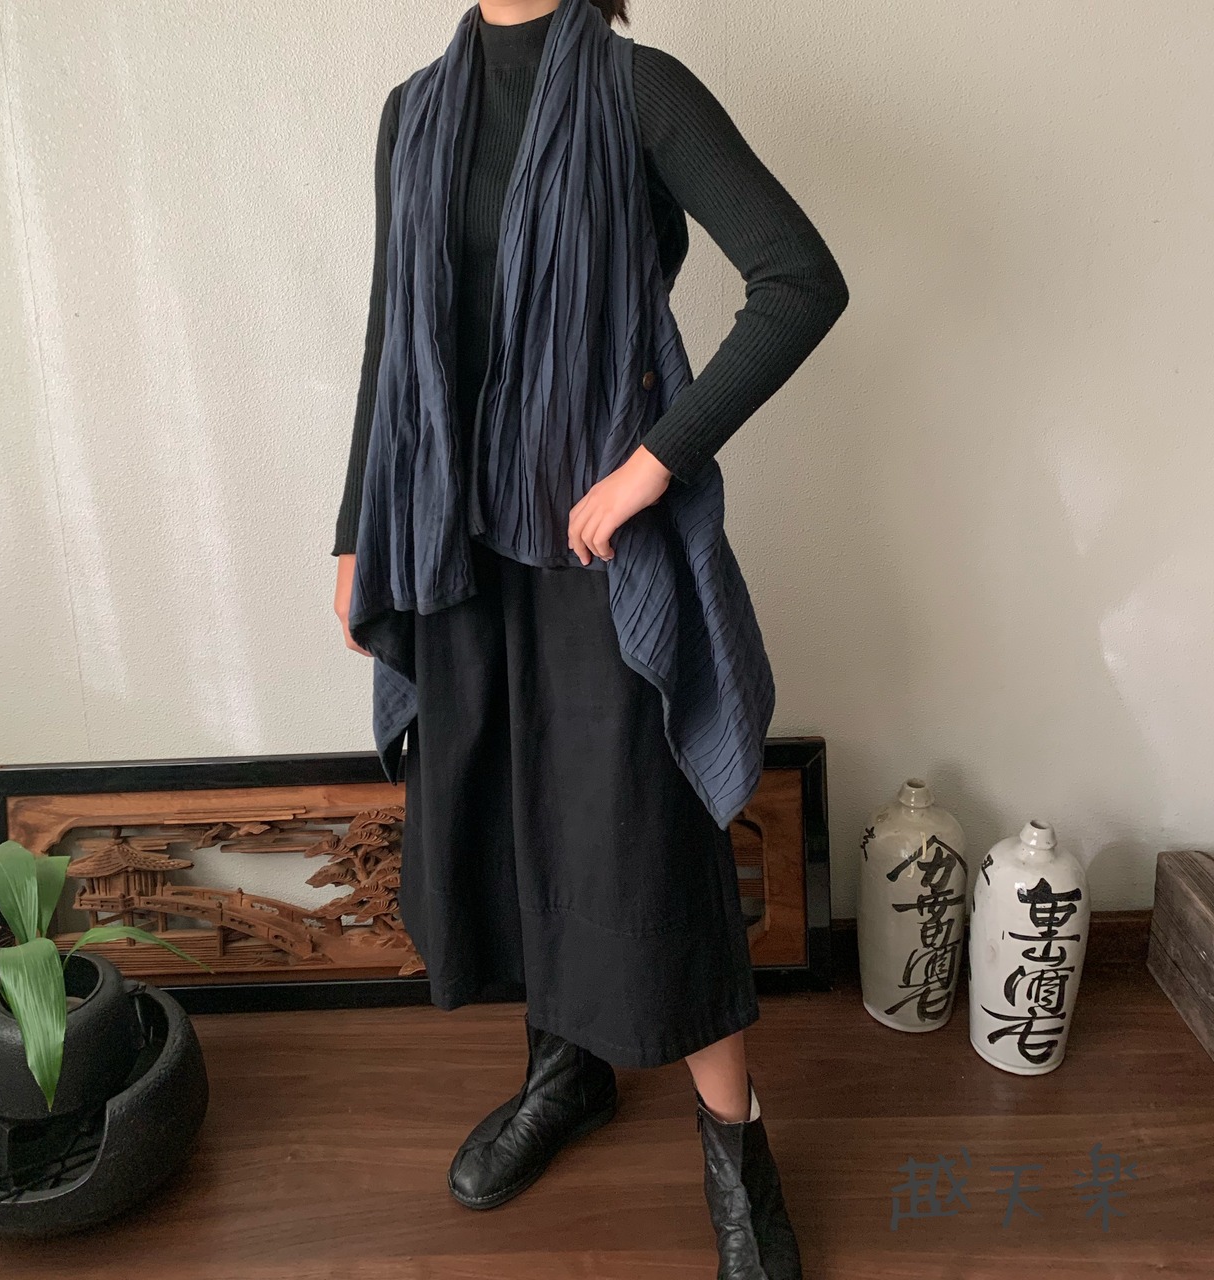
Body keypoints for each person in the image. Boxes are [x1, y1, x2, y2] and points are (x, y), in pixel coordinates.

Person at [330, 1, 848, 1274]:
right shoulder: (411, 114)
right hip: (448, 536)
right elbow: (393, 333)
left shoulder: (636, 88)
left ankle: (737, 1153)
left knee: (645, 842)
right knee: (508, 820)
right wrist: (353, 533)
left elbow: (798, 280)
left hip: (592, 543)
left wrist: (650, 465)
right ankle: (565, 1073)